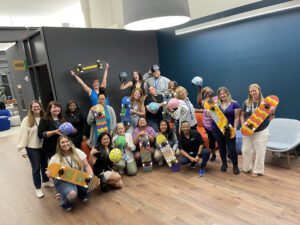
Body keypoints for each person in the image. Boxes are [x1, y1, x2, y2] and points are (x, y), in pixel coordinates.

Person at [48, 135, 93, 211]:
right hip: (63, 181)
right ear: (59, 145)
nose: (65, 144)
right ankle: (64, 201)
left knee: (92, 183)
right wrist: (49, 176)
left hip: (78, 177)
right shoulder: (55, 158)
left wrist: (91, 177)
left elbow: (87, 166)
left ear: (70, 142)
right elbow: (50, 173)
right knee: (72, 193)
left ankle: (81, 193)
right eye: (62, 142)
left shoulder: (77, 152)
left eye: (67, 141)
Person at [17, 100, 50, 198]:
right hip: (32, 148)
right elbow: (23, 135)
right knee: (36, 168)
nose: (36, 108)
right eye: (34, 107)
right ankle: (38, 188)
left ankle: (46, 181)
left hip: (44, 147)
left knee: (45, 165)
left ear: (40, 107)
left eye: (38, 106)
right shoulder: (27, 120)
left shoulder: (45, 118)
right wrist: (22, 149)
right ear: (31, 109)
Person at [241, 83, 275, 177]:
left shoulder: (266, 103)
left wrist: (272, 112)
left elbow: (271, 118)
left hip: (261, 131)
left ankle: (257, 170)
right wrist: (243, 124)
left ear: (259, 90)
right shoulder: (246, 102)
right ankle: (247, 168)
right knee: (245, 150)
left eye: (254, 90)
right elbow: (242, 115)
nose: (252, 93)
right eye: (251, 91)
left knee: (260, 151)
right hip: (248, 130)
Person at [211, 87, 241, 175]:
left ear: (228, 93)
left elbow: (236, 118)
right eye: (220, 94)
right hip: (216, 129)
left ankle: (235, 166)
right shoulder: (216, 104)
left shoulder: (235, 104)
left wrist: (235, 128)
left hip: (229, 129)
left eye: (224, 93)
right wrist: (211, 111)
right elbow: (214, 116)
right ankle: (224, 164)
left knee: (232, 148)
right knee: (221, 147)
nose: (222, 95)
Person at [201, 87, 218, 161]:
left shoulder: (216, 99)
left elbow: (215, 112)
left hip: (215, 125)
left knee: (220, 140)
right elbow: (202, 107)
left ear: (212, 92)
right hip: (206, 125)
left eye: (208, 92)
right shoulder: (203, 101)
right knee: (211, 141)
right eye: (205, 92)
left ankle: (227, 155)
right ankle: (213, 154)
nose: (207, 94)